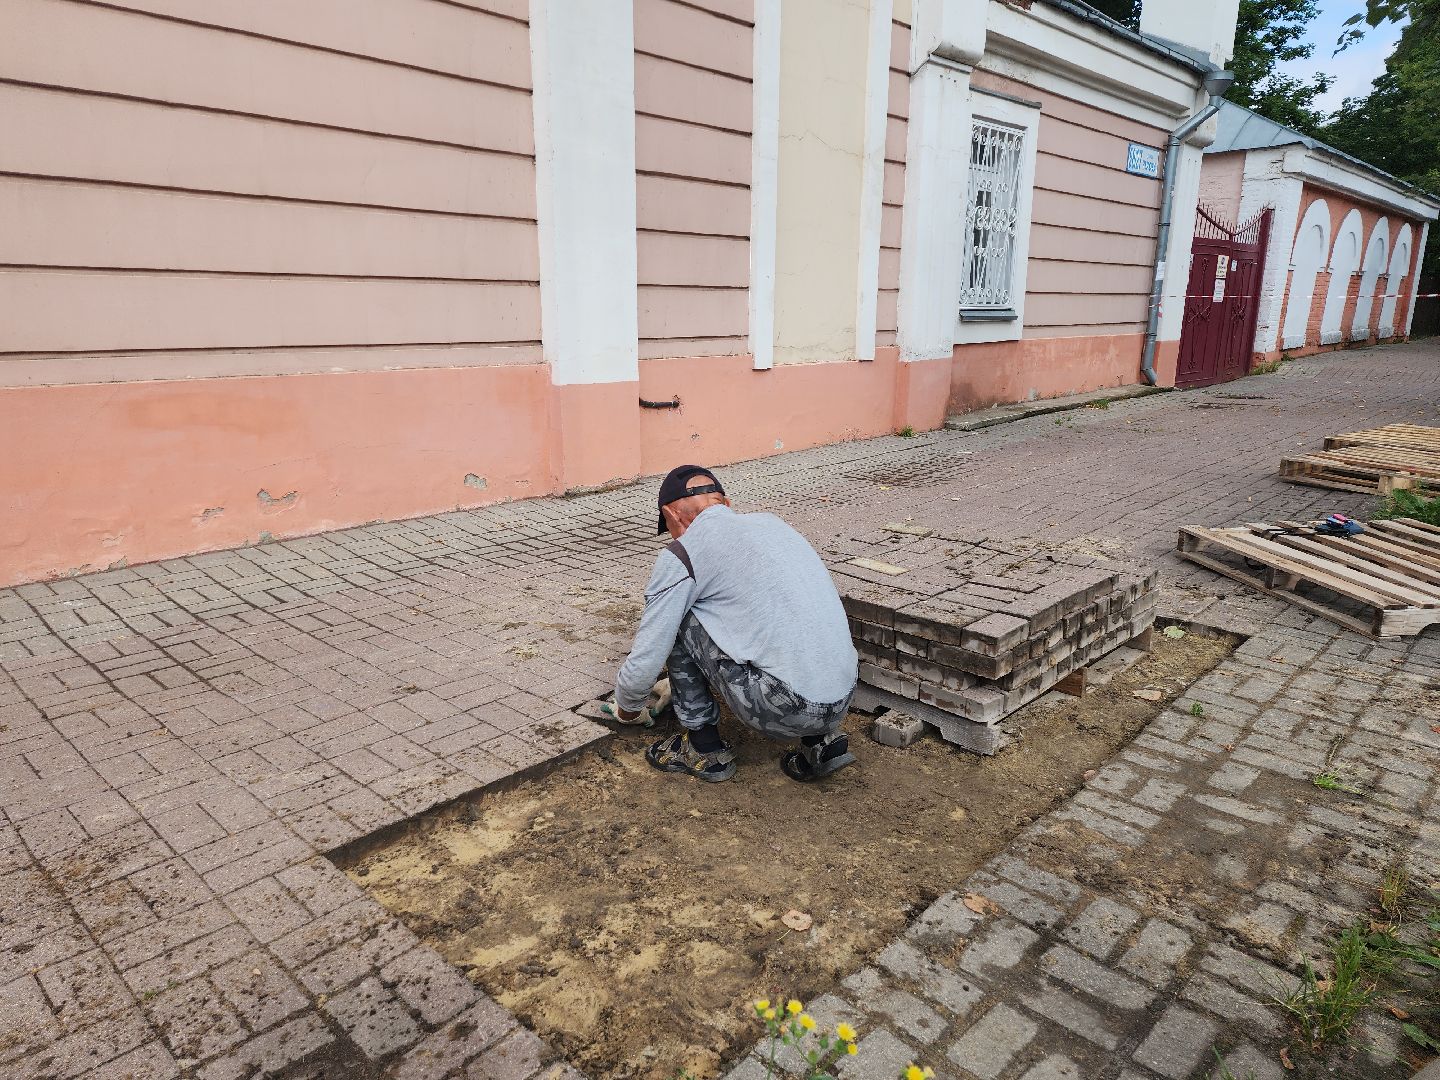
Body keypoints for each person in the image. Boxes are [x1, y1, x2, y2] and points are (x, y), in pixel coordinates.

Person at [602, 465, 859, 782]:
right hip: (844, 695)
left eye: (668, 526)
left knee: (679, 616)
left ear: (672, 514)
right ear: (725, 504)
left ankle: (703, 748)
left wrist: (628, 708)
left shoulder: (682, 553)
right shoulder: (774, 525)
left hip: (785, 709)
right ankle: (821, 742)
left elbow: (647, 655)